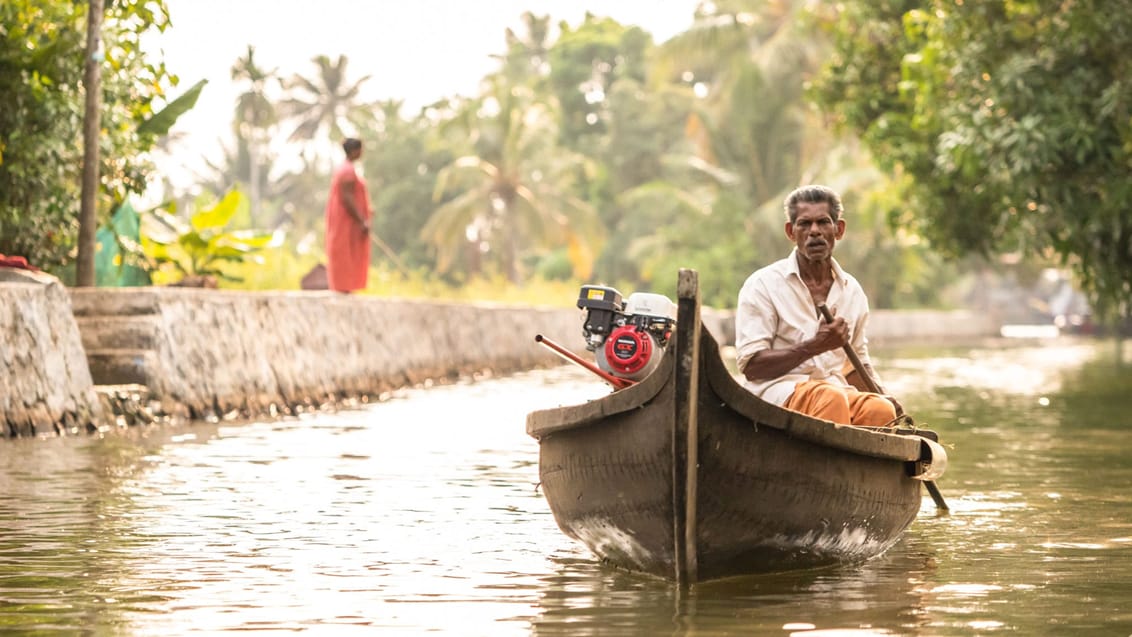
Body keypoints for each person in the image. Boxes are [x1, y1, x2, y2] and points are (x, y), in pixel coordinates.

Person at [735, 184, 901, 427]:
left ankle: (853, 464)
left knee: (881, 410)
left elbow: (855, 364)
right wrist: (814, 346)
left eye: (823, 222)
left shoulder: (851, 291)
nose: (814, 231)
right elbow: (752, 368)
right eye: (804, 224)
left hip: (833, 391)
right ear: (791, 232)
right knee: (830, 399)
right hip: (777, 394)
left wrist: (883, 393)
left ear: (839, 229)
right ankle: (835, 463)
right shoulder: (762, 285)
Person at [324, 137, 372, 293]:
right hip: (346, 221)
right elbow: (347, 198)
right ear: (355, 150)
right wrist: (361, 220)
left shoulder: (346, 168)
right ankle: (343, 287)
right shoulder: (347, 171)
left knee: (349, 252)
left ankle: (347, 287)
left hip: (346, 220)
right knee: (344, 252)